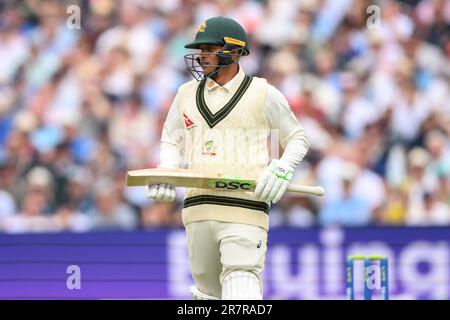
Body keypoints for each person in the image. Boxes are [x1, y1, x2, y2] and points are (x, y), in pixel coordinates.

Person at [146, 17, 310, 300]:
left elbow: (298, 137)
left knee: (241, 282)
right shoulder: (185, 94)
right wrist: (167, 171)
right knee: (207, 294)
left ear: (234, 52)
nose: (201, 56)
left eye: (209, 48)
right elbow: (172, 140)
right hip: (197, 208)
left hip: (244, 206)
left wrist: (283, 167)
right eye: (200, 49)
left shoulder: (263, 94)